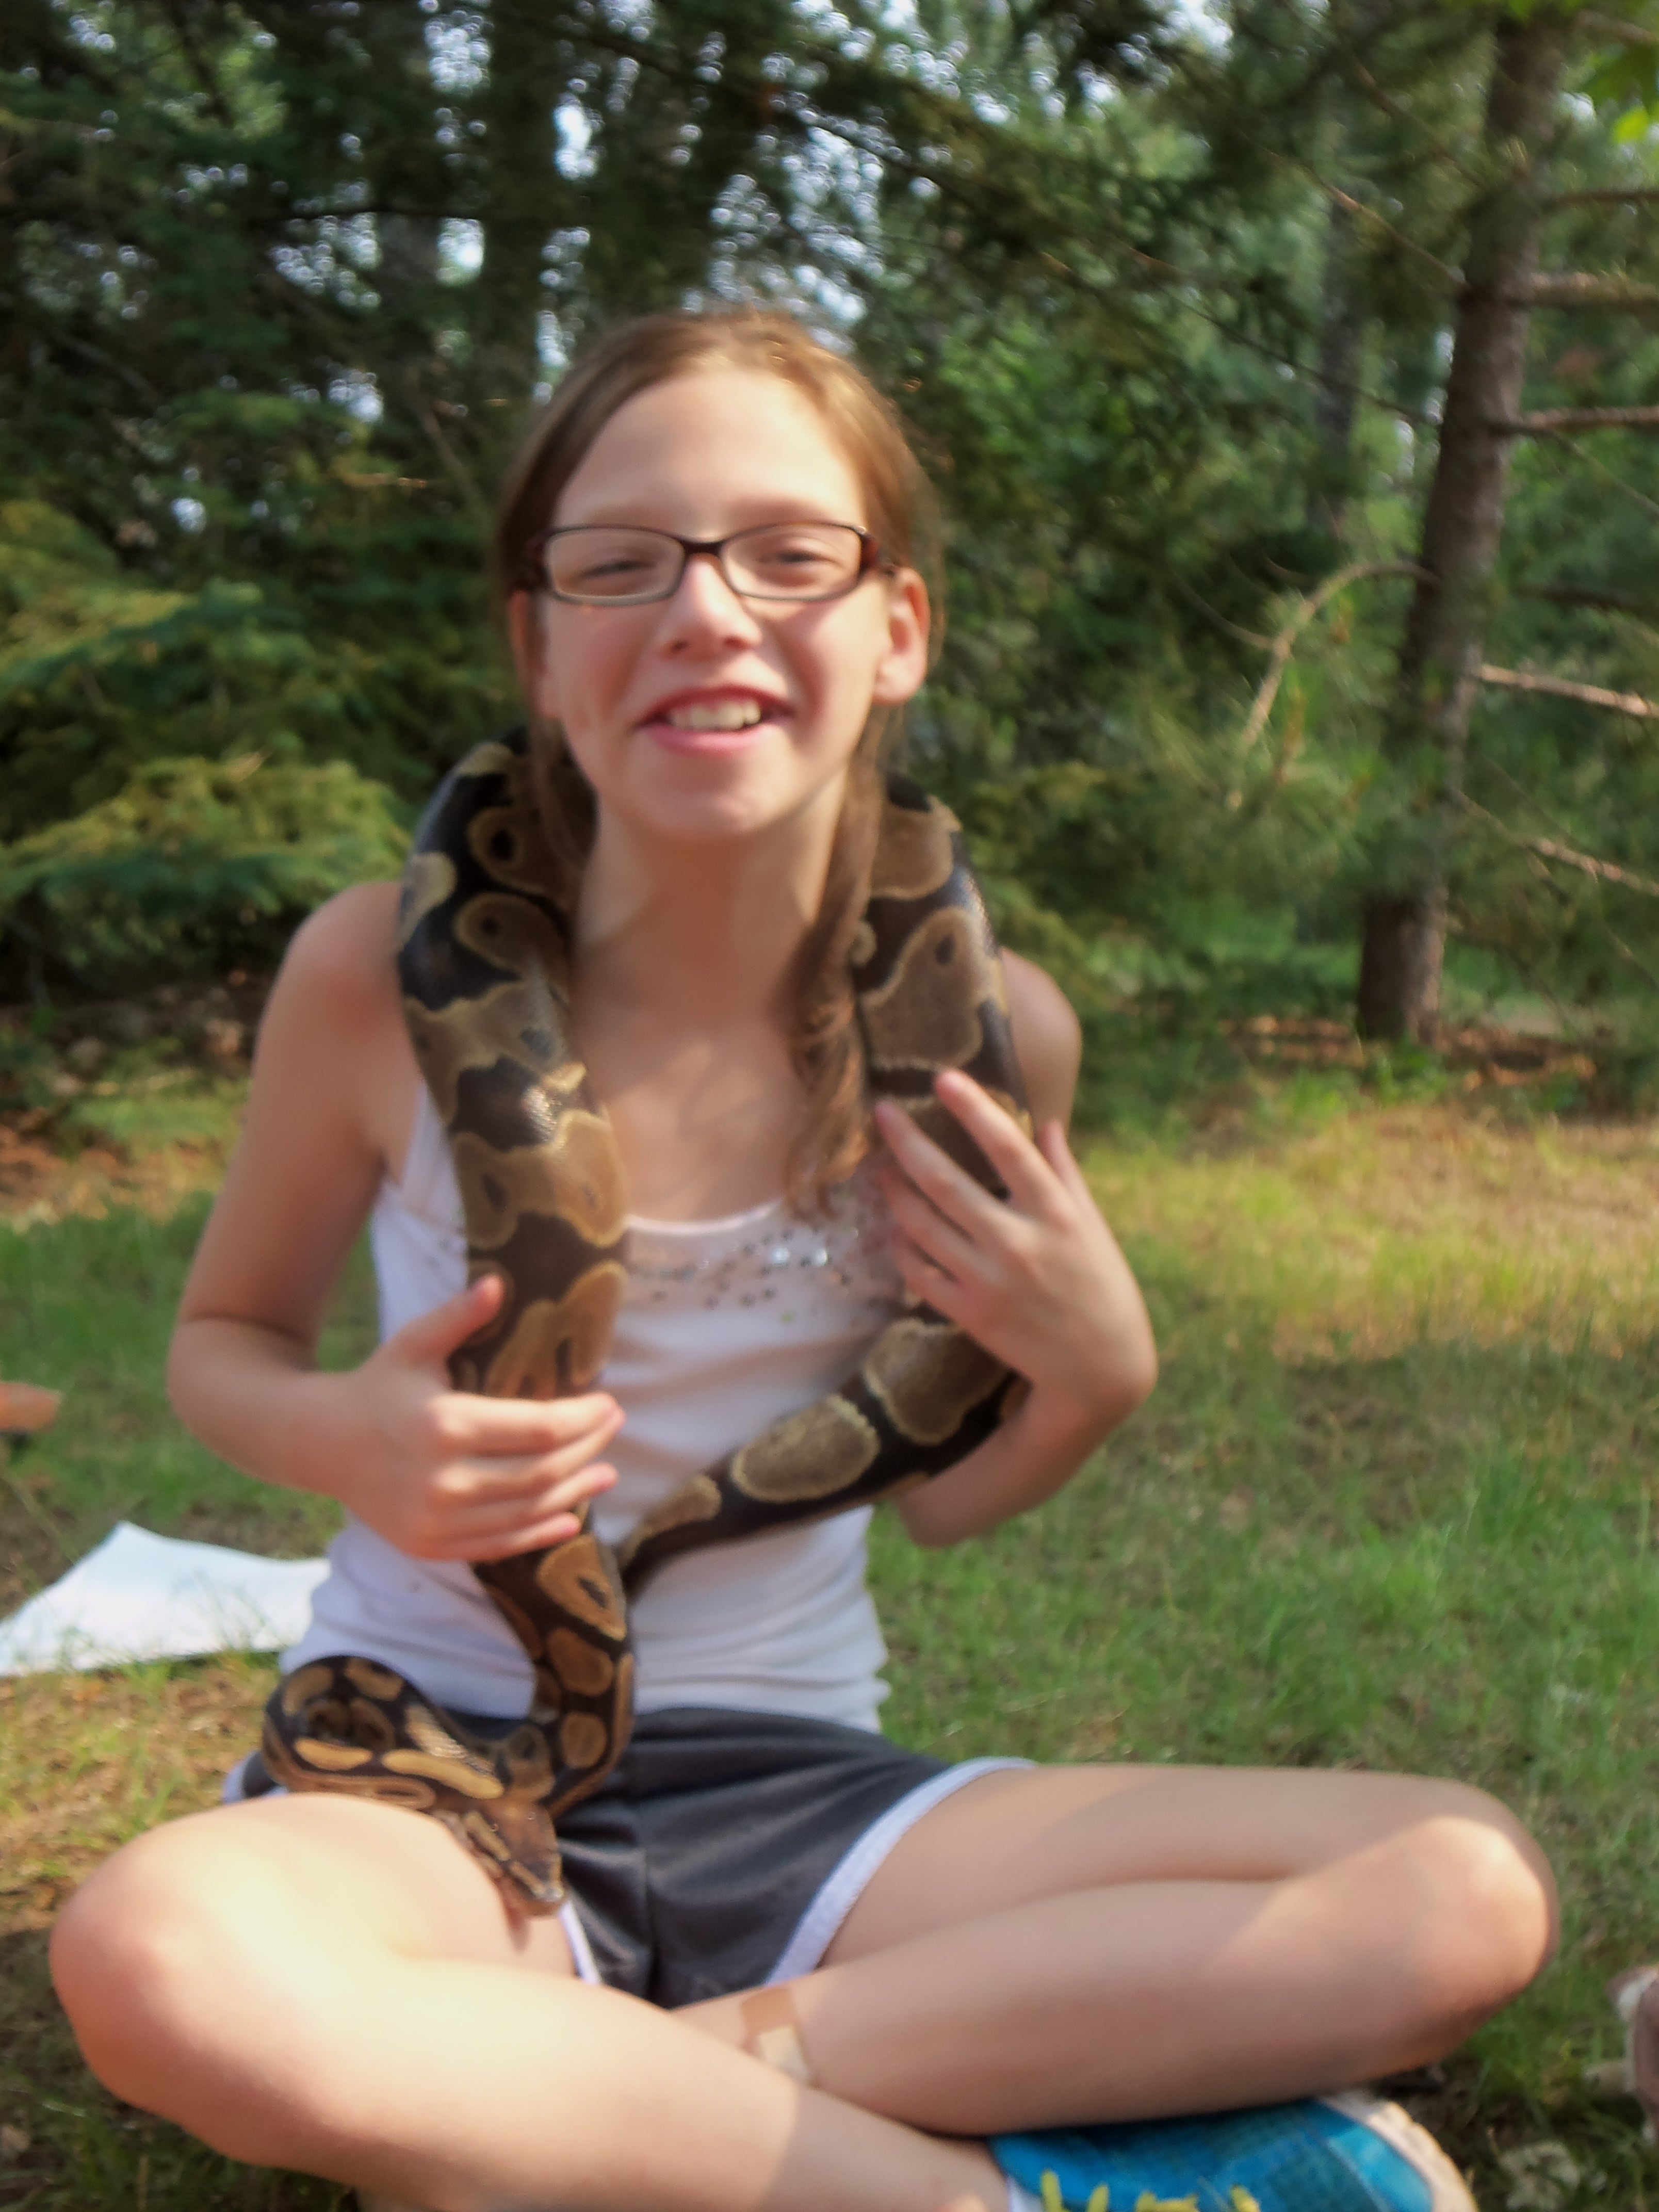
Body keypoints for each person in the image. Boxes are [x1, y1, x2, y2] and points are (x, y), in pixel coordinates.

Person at [51, 310, 1556, 2212]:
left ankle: (599, 2108)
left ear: (898, 627)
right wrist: (346, 1434)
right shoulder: (370, 975)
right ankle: (957, 2193)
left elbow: (939, 1499)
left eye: (789, 553)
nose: (707, 610)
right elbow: (222, 1340)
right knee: (154, 1958)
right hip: (422, 1772)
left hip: (801, 1794)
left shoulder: (996, 1038)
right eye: (620, 563)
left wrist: (1096, 1378)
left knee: (1461, 1887)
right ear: (539, 646)